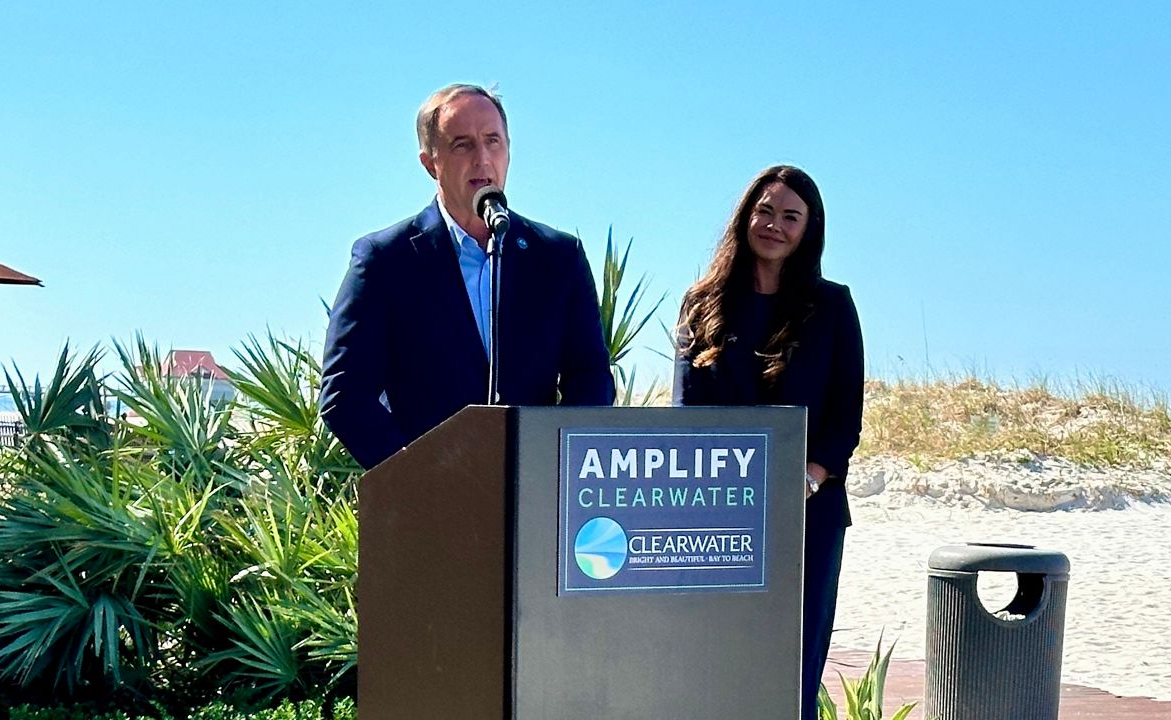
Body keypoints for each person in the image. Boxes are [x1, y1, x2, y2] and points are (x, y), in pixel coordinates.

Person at [321, 84, 614, 469]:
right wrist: (417, 476)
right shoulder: (385, 260)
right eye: (462, 145)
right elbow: (345, 395)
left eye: (493, 141)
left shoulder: (558, 258)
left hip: (538, 495)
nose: (483, 159)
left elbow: (589, 377)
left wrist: (554, 466)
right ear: (430, 163)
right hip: (429, 505)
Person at [672, 165, 864, 720]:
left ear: (809, 230)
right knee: (718, 665)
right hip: (718, 520)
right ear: (744, 217)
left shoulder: (832, 307)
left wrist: (808, 476)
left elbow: (844, 419)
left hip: (807, 517)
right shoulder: (701, 301)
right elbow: (686, 416)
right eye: (764, 211)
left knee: (792, 671)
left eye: (790, 216)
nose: (774, 225)